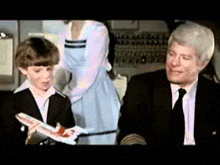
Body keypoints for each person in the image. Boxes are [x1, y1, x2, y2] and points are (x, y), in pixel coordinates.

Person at [117, 22, 220, 148]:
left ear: (202, 64)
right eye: (171, 54)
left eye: (185, 57)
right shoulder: (142, 86)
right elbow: (129, 131)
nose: (174, 63)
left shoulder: (215, 94)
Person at [54, 20, 121, 144]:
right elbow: (62, 68)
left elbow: (89, 73)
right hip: (73, 95)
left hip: (97, 98)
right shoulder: (64, 31)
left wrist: (65, 99)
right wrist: (53, 90)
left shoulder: (98, 30)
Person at [0, 37, 76, 146]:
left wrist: (65, 136)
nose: (46, 76)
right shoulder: (9, 103)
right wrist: (29, 142)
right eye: (37, 70)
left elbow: (72, 138)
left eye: (49, 69)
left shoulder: (63, 101)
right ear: (23, 69)